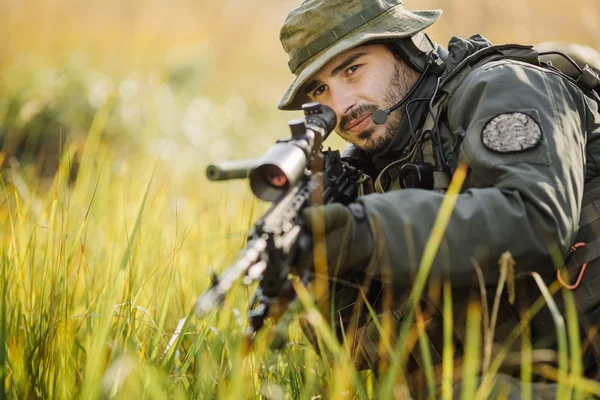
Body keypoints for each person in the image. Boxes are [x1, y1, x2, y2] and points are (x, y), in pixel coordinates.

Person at [276, 0, 600, 396]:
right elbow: (356, 356)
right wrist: (320, 263)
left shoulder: (504, 87)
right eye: (320, 89)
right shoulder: (368, 175)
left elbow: (536, 220)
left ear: (406, 46)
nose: (341, 105)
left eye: (352, 69)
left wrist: (367, 230)